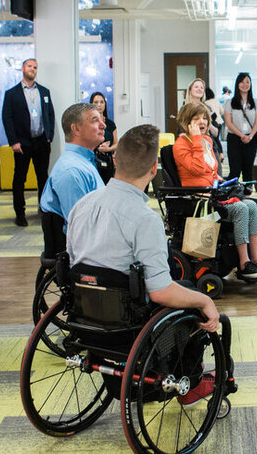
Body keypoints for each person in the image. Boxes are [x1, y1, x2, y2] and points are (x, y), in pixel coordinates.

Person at [66, 124, 220, 337]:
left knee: (181, 284)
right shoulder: (145, 220)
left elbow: (73, 260)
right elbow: (160, 291)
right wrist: (206, 300)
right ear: (153, 167)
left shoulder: (81, 205)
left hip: (84, 313)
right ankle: (192, 368)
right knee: (191, 293)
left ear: (115, 159)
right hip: (126, 324)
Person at [173, 102, 257, 281]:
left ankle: (256, 258)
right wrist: (197, 139)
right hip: (199, 201)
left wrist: (225, 182)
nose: (202, 122)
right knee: (241, 209)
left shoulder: (207, 141)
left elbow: (211, 171)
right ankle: (244, 264)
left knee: (251, 205)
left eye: (204, 118)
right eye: (196, 119)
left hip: (213, 194)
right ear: (187, 122)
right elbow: (197, 169)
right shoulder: (181, 144)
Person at [39, 103, 107, 257]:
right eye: (95, 120)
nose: (103, 125)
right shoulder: (72, 171)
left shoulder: (83, 161)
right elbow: (83, 228)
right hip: (87, 254)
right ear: (76, 129)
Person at [2, 59, 56, 226]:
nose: (32, 69)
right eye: (29, 66)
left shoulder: (44, 92)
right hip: (22, 143)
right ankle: (20, 213)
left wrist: (49, 136)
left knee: (43, 178)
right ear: (22, 69)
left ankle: (43, 209)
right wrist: (13, 141)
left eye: (35, 67)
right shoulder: (12, 94)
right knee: (19, 178)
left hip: (41, 141)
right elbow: (7, 119)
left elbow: (50, 115)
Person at [224, 72, 257, 181]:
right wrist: (241, 135)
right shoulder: (230, 102)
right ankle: (233, 195)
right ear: (237, 84)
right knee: (235, 170)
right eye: (242, 82)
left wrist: (250, 136)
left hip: (251, 139)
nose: (245, 84)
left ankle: (247, 194)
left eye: (247, 82)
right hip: (234, 138)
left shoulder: (256, 102)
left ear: (250, 84)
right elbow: (228, 123)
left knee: (248, 169)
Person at [181, 78, 225, 172]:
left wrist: (206, 124)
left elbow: (216, 132)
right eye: (196, 87)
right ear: (190, 90)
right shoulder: (185, 109)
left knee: (217, 176)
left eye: (201, 87)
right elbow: (181, 133)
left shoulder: (208, 108)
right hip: (193, 148)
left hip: (210, 147)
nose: (199, 89)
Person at [89, 91, 119, 184]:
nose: (99, 105)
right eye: (96, 102)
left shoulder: (110, 124)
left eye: (102, 102)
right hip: (92, 160)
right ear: (91, 104)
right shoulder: (88, 123)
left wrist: (109, 148)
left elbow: (116, 143)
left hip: (107, 162)